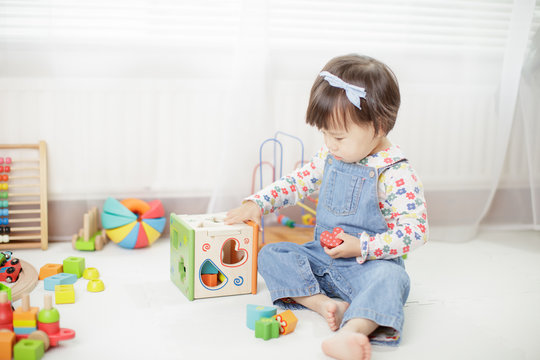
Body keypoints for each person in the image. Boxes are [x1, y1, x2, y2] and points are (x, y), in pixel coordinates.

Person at [225, 54, 428, 360]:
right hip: (323, 260)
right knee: (271, 253)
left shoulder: (396, 173)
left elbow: (415, 232)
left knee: (393, 280)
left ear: (379, 125)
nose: (329, 144)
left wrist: (362, 246)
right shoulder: (331, 156)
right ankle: (322, 304)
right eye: (324, 133)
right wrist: (259, 202)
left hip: (367, 268)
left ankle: (352, 331)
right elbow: (297, 181)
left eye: (338, 136)